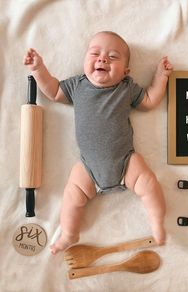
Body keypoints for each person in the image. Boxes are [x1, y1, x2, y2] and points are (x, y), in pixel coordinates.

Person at [23, 31, 173, 255]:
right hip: (88, 167)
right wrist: (38, 70)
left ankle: (157, 222)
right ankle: (69, 234)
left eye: (113, 57)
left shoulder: (126, 87)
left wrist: (161, 77)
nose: (103, 59)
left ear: (126, 71)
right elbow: (53, 91)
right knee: (72, 195)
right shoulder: (77, 85)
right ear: (85, 60)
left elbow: (150, 101)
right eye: (95, 54)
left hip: (126, 161)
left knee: (149, 184)